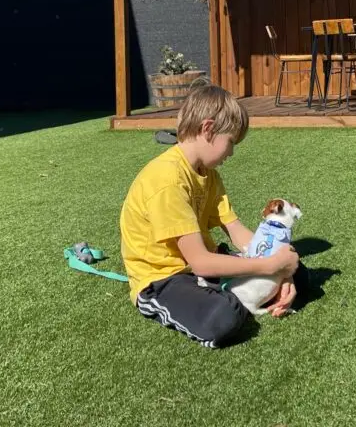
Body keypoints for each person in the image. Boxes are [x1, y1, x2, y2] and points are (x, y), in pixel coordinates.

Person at [119, 83, 301, 348]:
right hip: (164, 279)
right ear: (208, 130)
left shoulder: (209, 175)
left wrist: (284, 273)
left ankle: (242, 290)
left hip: (200, 268)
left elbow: (237, 232)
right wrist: (270, 267)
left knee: (300, 269)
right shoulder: (166, 180)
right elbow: (202, 262)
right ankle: (233, 294)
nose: (232, 152)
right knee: (223, 318)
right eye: (231, 142)